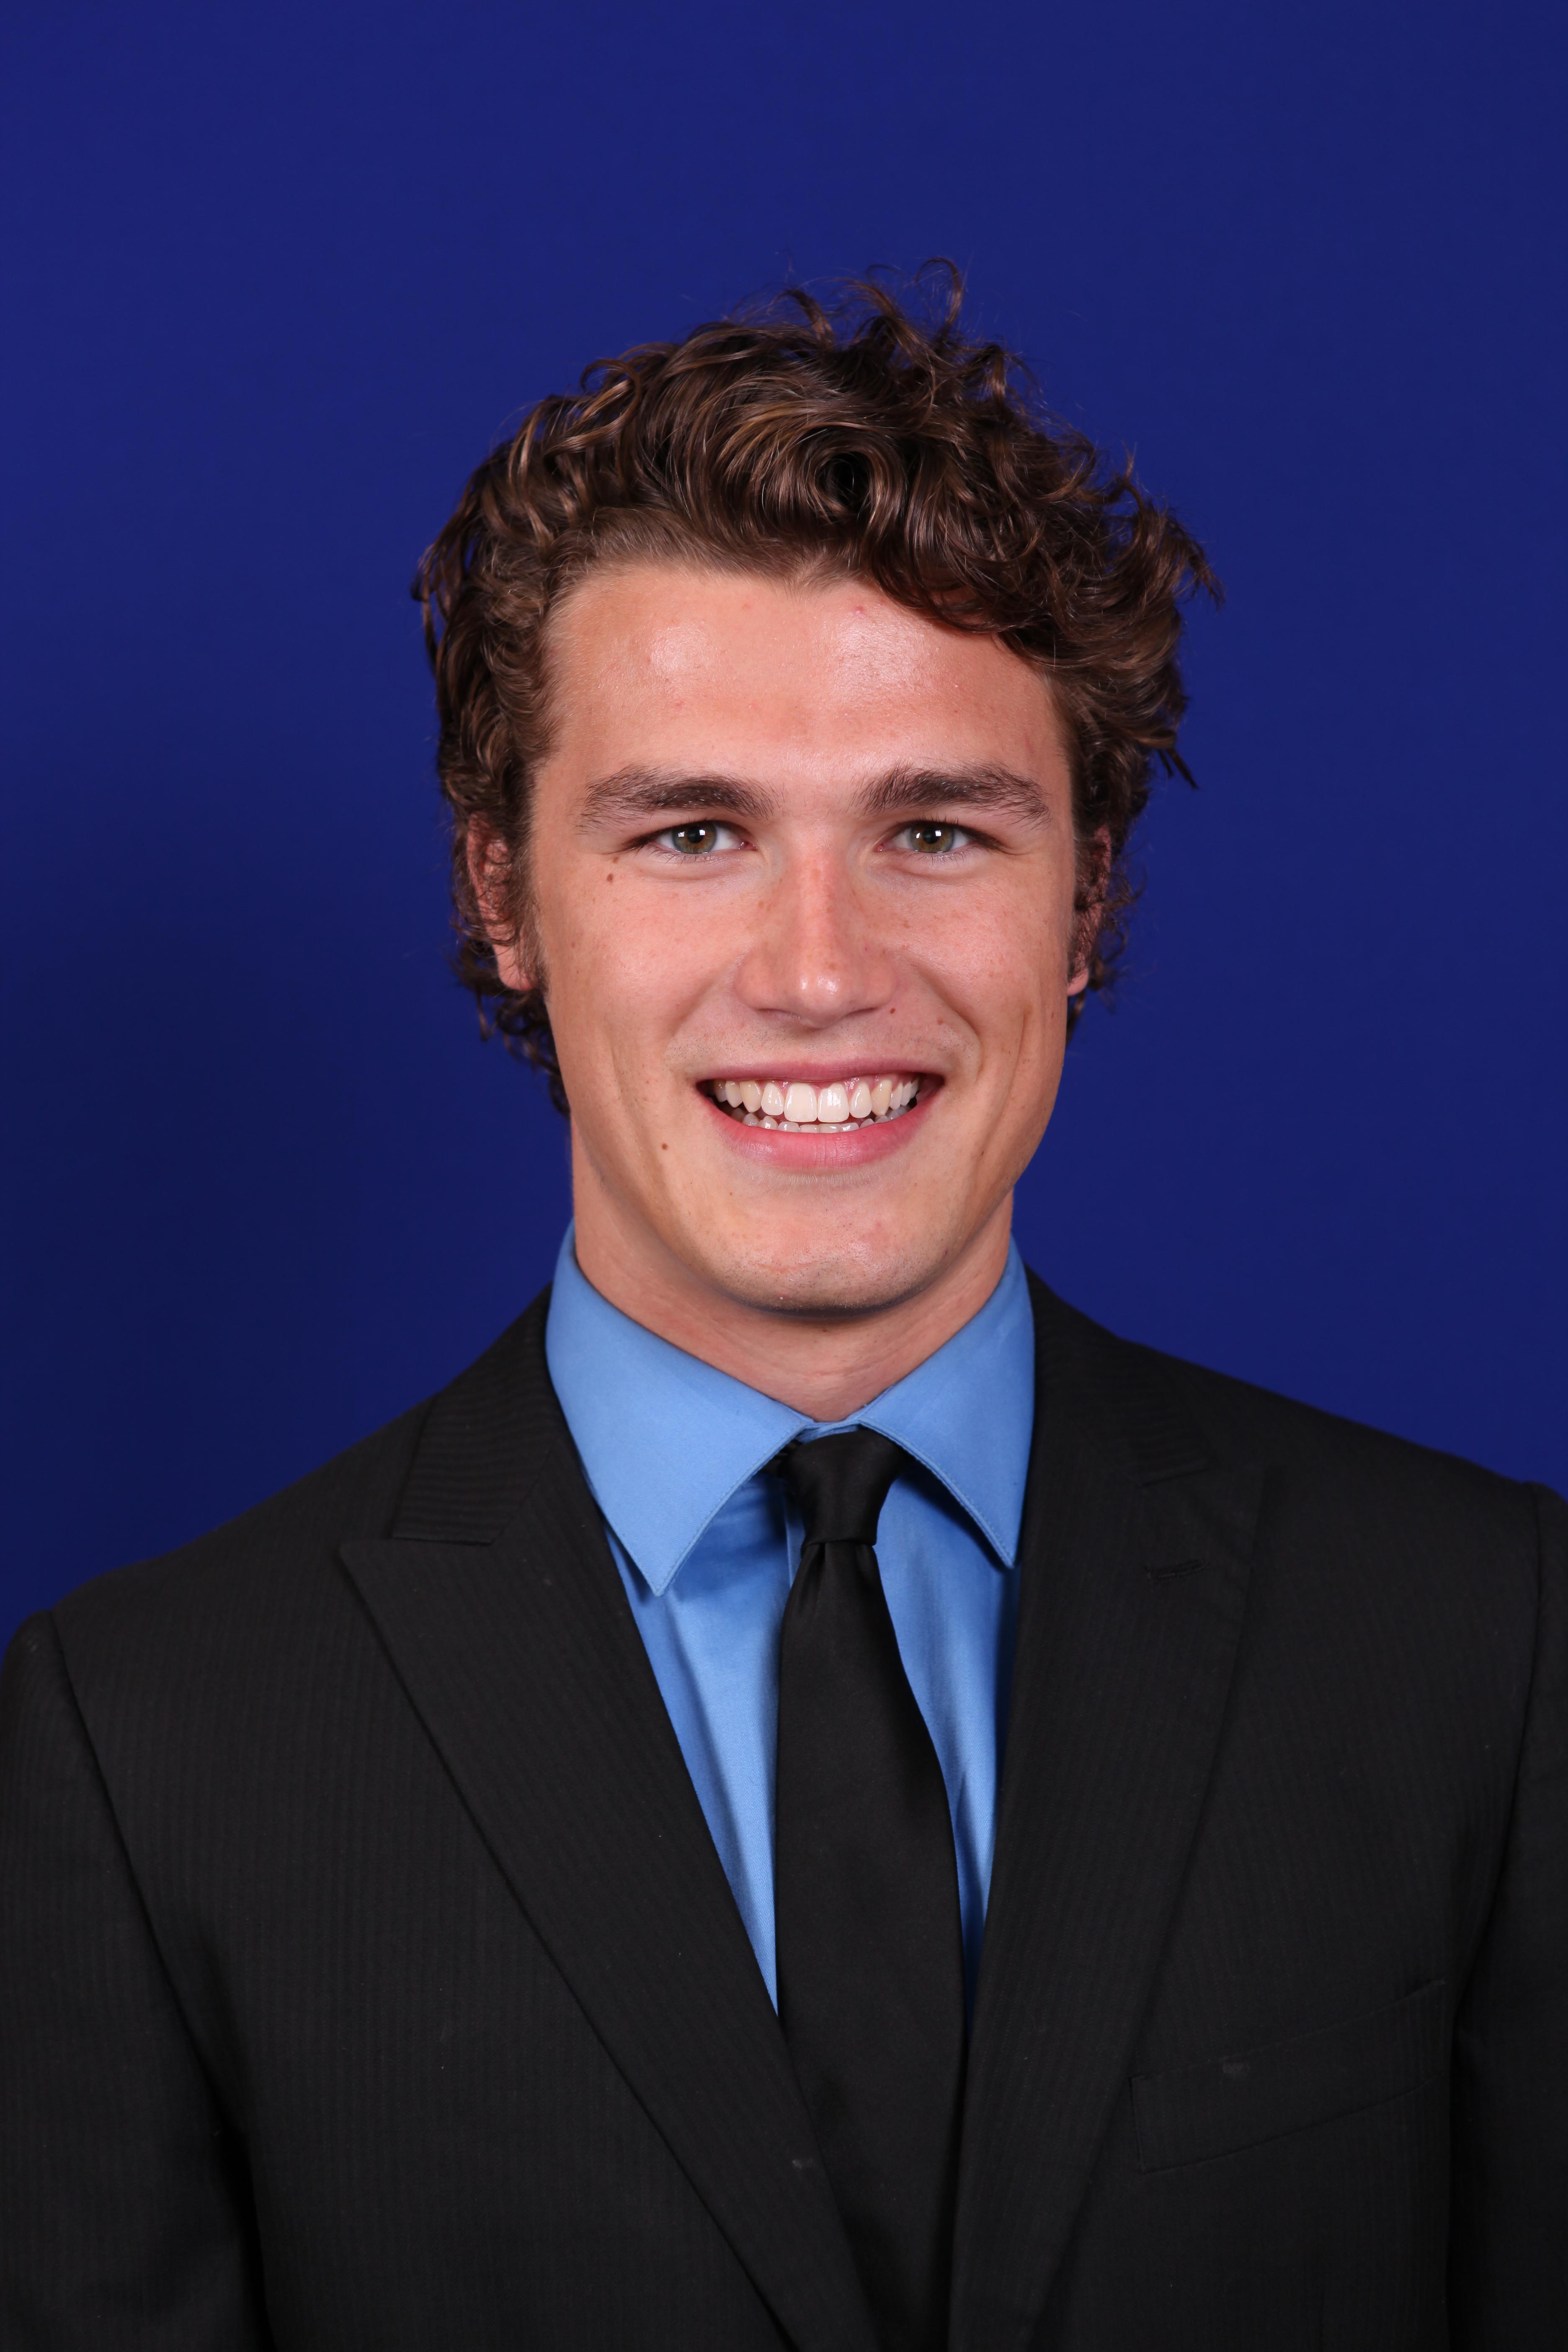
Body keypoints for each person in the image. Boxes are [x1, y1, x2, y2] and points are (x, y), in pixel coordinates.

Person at [1, 271, 1562, 2352]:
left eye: (935, 829)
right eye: (692, 832)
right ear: (503, 896)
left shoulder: (1486, 1643)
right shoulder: (145, 1743)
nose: (821, 972)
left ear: (1087, 897)